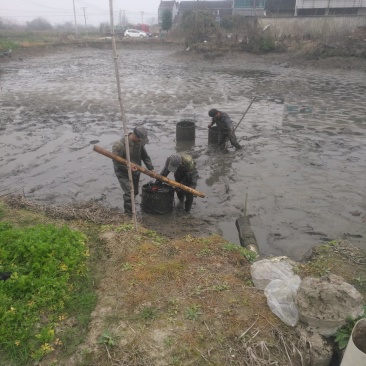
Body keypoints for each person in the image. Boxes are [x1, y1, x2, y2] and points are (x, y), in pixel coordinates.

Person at [112, 126, 154, 214]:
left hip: (136, 170)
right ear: (135, 136)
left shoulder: (140, 143)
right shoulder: (120, 145)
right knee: (129, 192)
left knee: (135, 191)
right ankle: (129, 215)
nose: (141, 141)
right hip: (122, 171)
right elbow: (116, 162)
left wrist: (151, 169)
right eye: (140, 139)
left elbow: (145, 156)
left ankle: (131, 206)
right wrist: (128, 167)